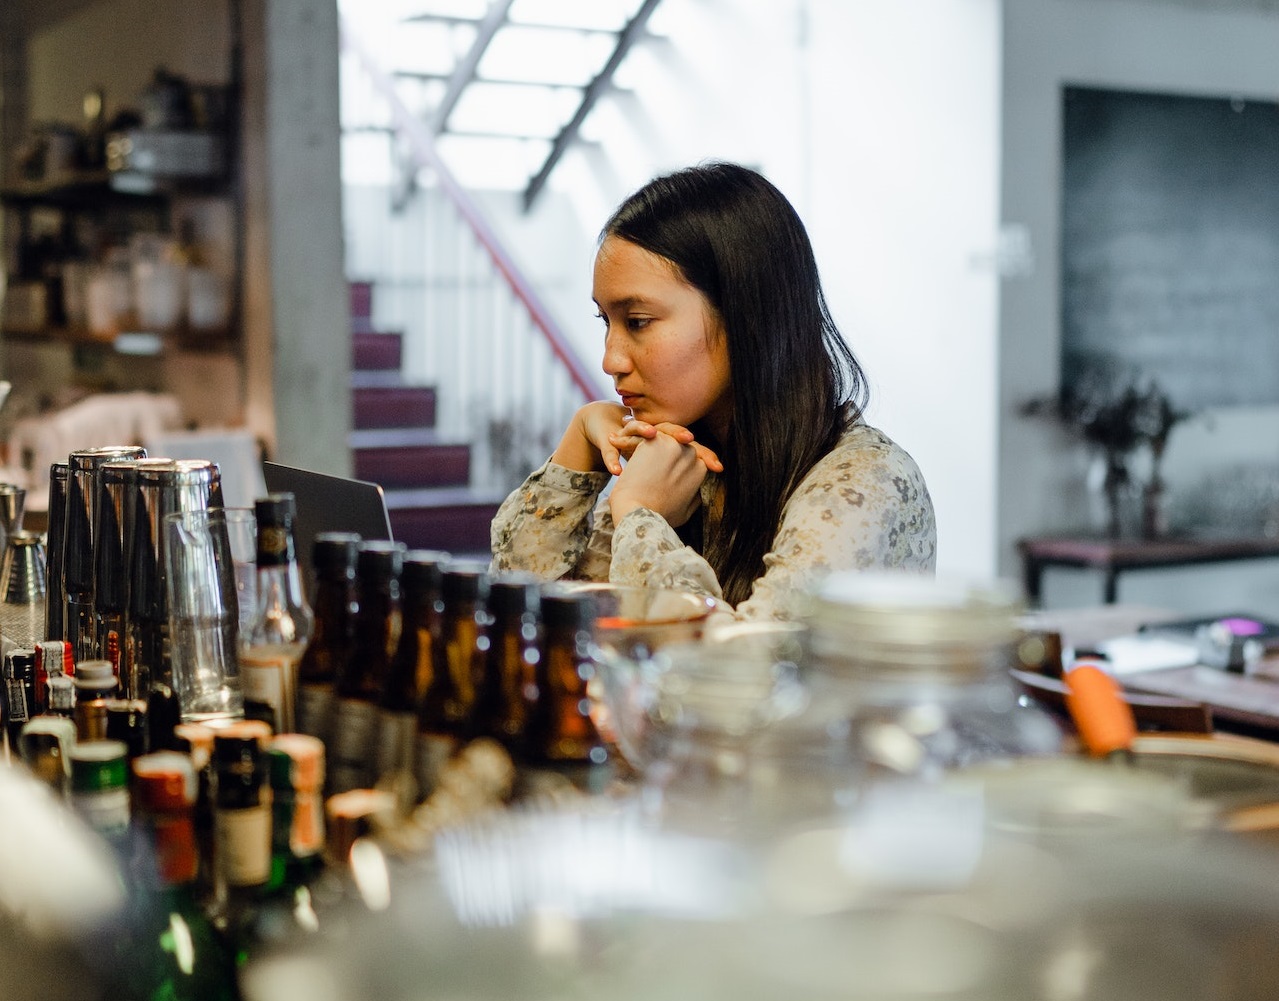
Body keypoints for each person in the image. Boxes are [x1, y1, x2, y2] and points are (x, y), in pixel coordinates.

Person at [490, 161, 936, 619]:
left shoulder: (864, 482)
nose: (611, 360)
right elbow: (529, 617)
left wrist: (640, 515)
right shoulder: (683, 458)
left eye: (638, 322)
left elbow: (744, 671)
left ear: (745, 315)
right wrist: (578, 446)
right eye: (607, 322)